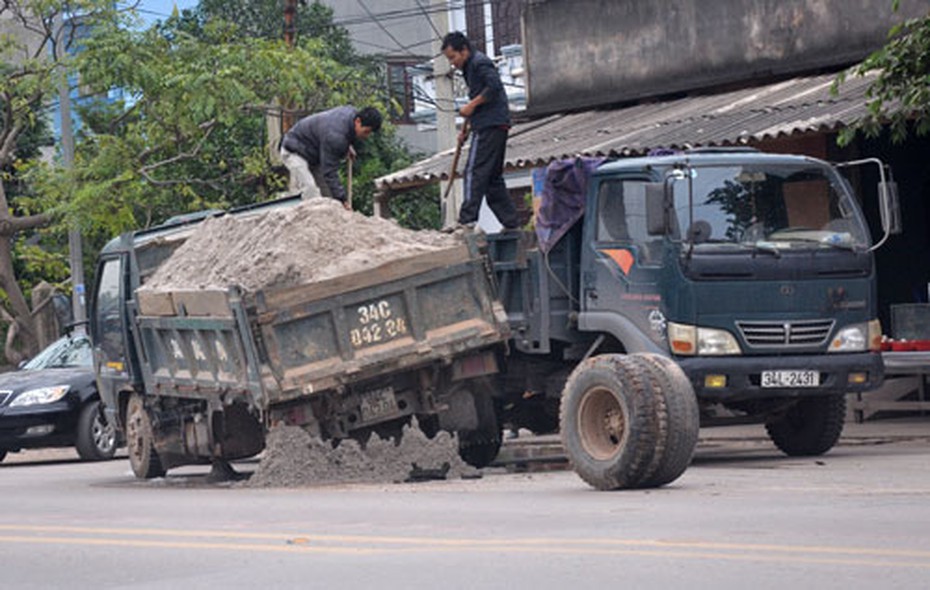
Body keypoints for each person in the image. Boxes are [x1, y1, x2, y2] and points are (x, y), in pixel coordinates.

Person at [441, 31, 520, 231]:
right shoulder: (470, 67)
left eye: (453, 57)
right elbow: (478, 98)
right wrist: (466, 128)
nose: (452, 63)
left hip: (490, 125)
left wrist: (471, 106)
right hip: (491, 123)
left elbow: (493, 88)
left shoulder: (479, 63)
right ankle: (511, 223)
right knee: (492, 178)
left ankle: (466, 220)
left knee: (474, 171)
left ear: (464, 50)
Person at [280, 105, 382, 208]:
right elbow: (330, 172)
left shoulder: (351, 113)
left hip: (312, 154)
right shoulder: (335, 137)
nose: (366, 136)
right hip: (293, 150)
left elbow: (345, 132)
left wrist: (348, 146)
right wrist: (343, 199)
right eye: (366, 132)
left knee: (328, 197)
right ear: (358, 121)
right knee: (311, 190)